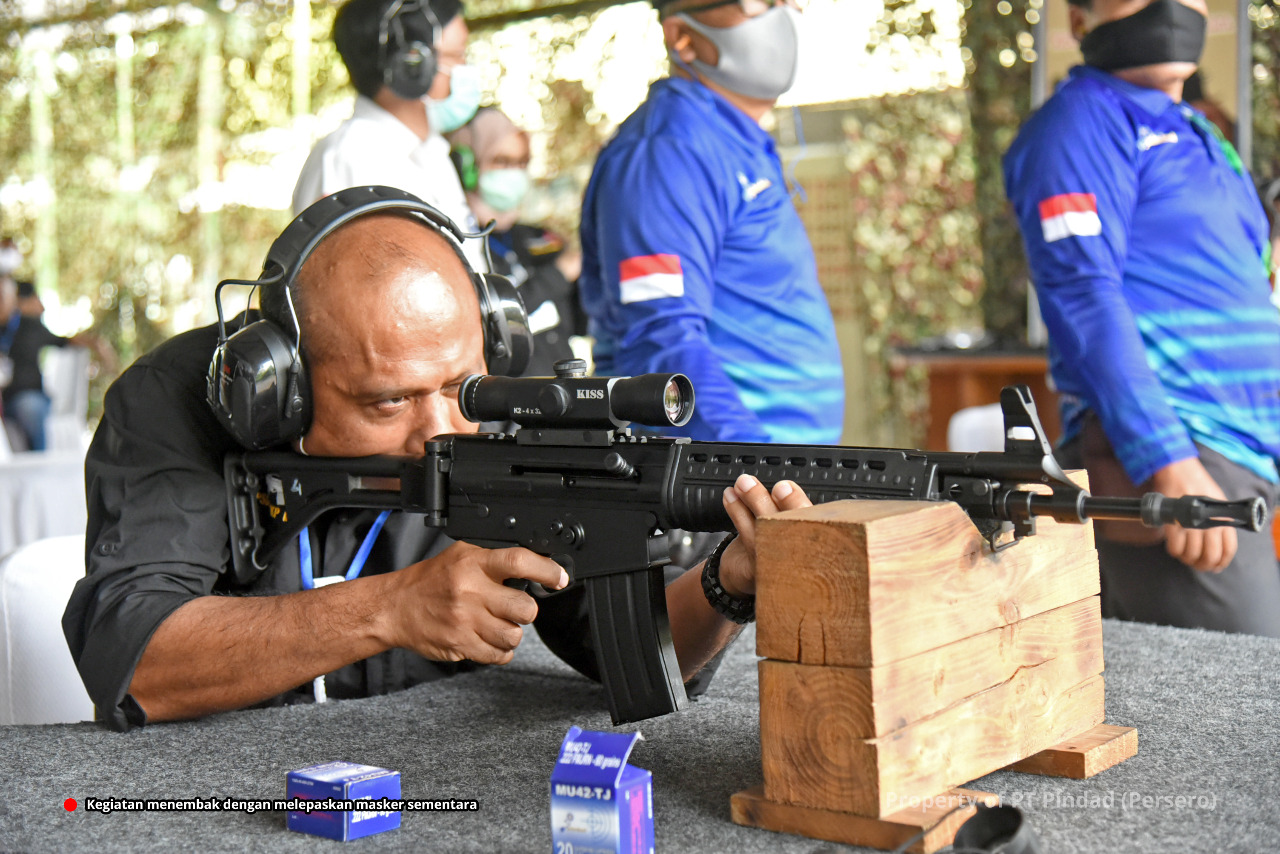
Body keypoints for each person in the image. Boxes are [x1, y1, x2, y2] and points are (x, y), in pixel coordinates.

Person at [62, 189, 811, 731]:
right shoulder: (174, 402)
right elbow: (135, 658)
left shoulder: (520, 404)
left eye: (464, 388)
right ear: (281, 390)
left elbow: (621, 651)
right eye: (388, 401)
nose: (440, 428)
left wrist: (727, 586)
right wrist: (392, 609)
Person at [1003, 0, 1280, 635]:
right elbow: (1083, 295)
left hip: (1239, 451)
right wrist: (1167, 461)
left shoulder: (1196, 130)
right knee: (1245, 710)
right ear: (1078, 20)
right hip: (1178, 458)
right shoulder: (1078, 125)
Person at [577, 0, 844, 444]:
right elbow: (659, 339)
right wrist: (757, 469)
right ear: (682, 37)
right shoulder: (667, 153)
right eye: (757, 3)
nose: (784, 15)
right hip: (727, 490)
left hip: (771, 484)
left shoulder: (728, 140)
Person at [292, 0, 486, 269]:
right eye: (457, 55)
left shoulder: (431, 152)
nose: (466, 69)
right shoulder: (352, 159)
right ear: (411, 65)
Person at [450, 107, 586, 377]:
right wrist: (557, 275)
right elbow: (486, 319)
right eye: (502, 161)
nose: (514, 173)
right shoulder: (457, 244)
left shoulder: (539, 237)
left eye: (522, 162)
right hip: (509, 407)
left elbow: (582, 321)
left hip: (566, 393)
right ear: (468, 168)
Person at [1, 280, 113, 452]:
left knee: (29, 408)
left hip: (27, 395)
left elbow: (64, 340)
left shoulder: (29, 327)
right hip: (5, 399)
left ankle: (38, 466)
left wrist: (97, 344)